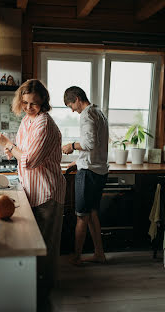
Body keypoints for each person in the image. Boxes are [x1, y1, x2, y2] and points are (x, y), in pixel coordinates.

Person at [0, 79, 66, 303]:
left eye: (33, 104)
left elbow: (30, 159)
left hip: (47, 192)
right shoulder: (28, 120)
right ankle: (33, 290)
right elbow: (20, 149)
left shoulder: (44, 123)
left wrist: (8, 144)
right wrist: (9, 147)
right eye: (25, 103)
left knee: (44, 247)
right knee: (34, 246)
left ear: (43, 101)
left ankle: (43, 296)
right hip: (31, 190)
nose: (28, 107)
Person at [62, 86, 109, 266]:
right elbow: (96, 144)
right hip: (99, 171)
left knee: (81, 215)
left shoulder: (87, 114)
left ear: (77, 98)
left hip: (89, 173)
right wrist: (79, 160)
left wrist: (71, 146)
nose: (72, 110)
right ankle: (99, 254)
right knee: (92, 213)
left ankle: (76, 256)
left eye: (71, 105)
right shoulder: (98, 112)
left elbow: (89, 143)